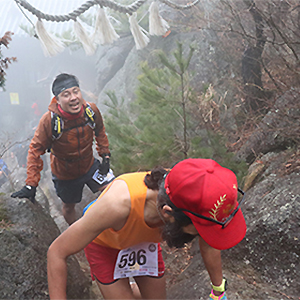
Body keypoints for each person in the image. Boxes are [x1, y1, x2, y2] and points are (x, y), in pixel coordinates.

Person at [47, 158, 247, 300]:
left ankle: (124, 288)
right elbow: (57, 252)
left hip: (143, 242)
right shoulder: (118, 204)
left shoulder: (193, 190)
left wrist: (219, 292)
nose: (201, 235)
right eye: (199, 230)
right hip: (104, 243)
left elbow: (210, 242)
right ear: (167, 213)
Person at [11, 73, 114, 225]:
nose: (73, 98)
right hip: (65, 174)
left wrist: (105, 155)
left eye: (75, 91)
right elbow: (35, 150)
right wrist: (31, 184)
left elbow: (99, 130)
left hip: (89, 165)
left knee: (113, 190)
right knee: (68, 207)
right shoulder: (49, 120)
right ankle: (76, 233)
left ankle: (109, 227)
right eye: (66, 94)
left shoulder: (90, 111)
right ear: (57, 100)